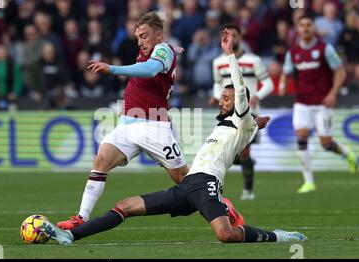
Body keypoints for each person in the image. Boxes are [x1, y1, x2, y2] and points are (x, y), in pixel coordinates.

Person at [40, 29, 307, 245]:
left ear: (240, 104)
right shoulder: (233, 125)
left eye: (226, 99)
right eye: (223, 98)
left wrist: (229, 55)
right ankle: (71, 235)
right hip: (187, 187)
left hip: (207, 186)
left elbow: (239, 89)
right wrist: (257, 124)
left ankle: (276, 236)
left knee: (226, 235)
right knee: (124, 206)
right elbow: (248, 125)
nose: (221, 102)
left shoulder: (240, 117)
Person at [56, 11, 189, 230]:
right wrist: (174, 50)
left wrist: (112, 69)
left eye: (144, 36)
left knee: (184, 179)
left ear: (158, 35)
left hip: (153, 125)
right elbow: (154, 61)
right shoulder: (159, 50)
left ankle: (223, 207)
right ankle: (81, 217)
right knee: (101, 160)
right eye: (138, 37)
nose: (140, 42)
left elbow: (150, 70)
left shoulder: (162, 50)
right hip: (127, 125)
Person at [279, 14, 358, 194]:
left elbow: (340, 72)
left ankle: (347, 153)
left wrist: (332, 93)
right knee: (301, 136)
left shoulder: (325, 49)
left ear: (313, 28)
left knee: (326, 144)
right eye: (302, 25)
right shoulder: (293, 51)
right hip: (302, 102)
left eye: (309, 25)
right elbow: (286, 71)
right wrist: (283, 84)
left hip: (323, 102)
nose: (306, 28)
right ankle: (308, 181)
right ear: (297, 29)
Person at [209, 24, 274, 201]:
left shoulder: (254, 61)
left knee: (244, 152)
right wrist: (217, 97)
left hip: (249, 111)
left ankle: (248, 191)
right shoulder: (218, 62)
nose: (231, 39)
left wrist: (257, 96)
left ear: (240, 37)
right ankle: (247, 166)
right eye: (227, 36)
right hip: (227, 112)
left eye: (234, 36)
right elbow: (217, 83)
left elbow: (269, 84)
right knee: (229, 152)